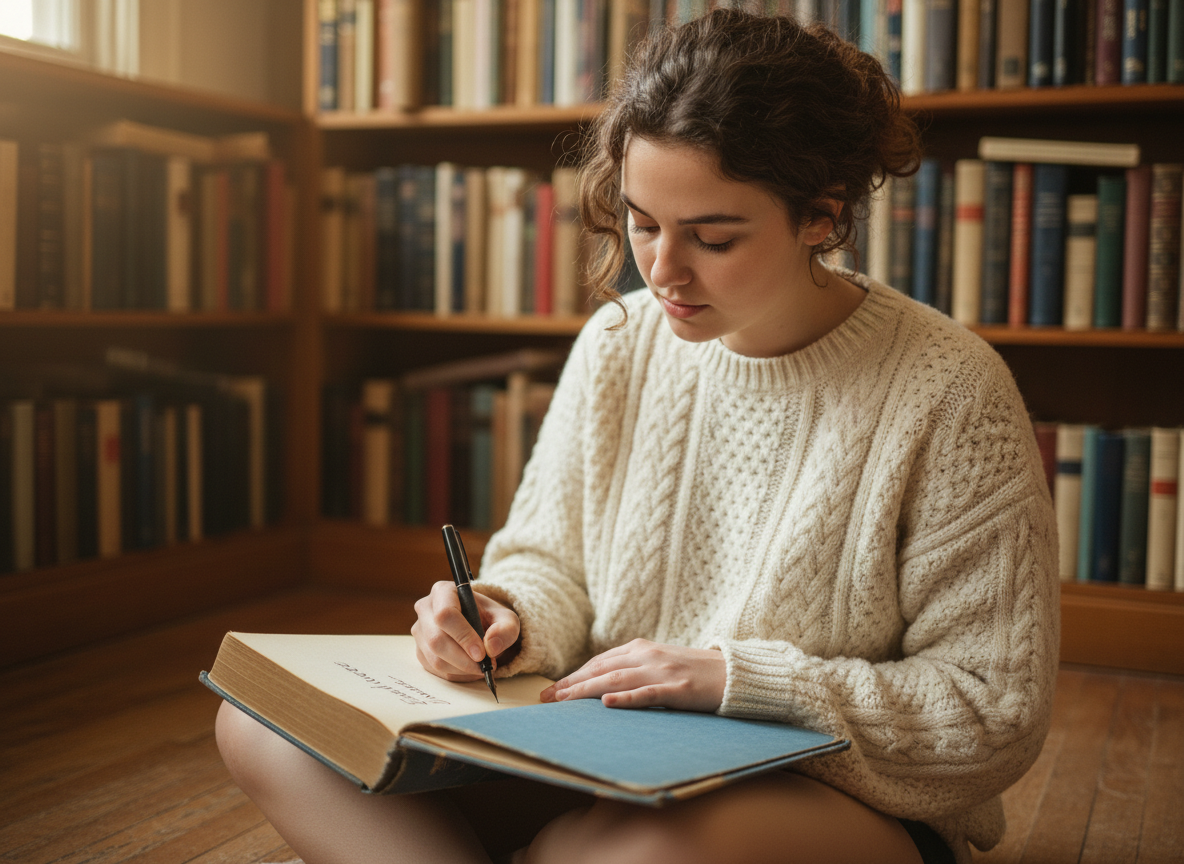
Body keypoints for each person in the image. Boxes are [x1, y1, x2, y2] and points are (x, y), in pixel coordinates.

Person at [216, 10, 1059, 864]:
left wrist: (739, 682)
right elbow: (550, 560)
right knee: (267, 730)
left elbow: (991, 711)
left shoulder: (951, 390)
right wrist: (500, 619)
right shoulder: (621, 340)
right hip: (601, 755)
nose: (661, 272)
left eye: (714, 236)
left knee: (622, 855)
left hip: (831, 794)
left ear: (822, 216)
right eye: (643, 222)